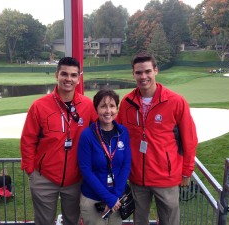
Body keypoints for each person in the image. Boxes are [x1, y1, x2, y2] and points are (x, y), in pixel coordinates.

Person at [117, 53, 198, 225]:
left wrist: (187, 171)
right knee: (140, 220)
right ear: (133, 74)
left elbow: (189, 139)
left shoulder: (176, 101)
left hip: (166, 177)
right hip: (138, 177)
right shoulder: (127, 102)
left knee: (169, 221)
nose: (143, 76)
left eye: (147, 71)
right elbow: (116, 132)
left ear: (156, 71)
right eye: (138, 72)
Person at [20, 57, 98, 225]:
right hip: (44, 178)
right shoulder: (39, 106)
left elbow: (100, 134)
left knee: (73, 221)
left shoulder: (88, 105)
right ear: (56, 75)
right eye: (64, 74)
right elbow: (28, 139)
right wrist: (30, 170)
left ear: (79, 78)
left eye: (73, 75)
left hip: (76, 178)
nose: (68, 79)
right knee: (44, 222)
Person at [77, 89, 131, 225]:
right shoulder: (87, 135)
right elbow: (86, 171)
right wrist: (108, 198)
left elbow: (126, 165)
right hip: (93, 199)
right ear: (96, 109)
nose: (108, 111)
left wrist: (115, 197)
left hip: (117, 199)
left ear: (116, 108)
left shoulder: (123, 132)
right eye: (103, 106)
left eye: (112, 106)